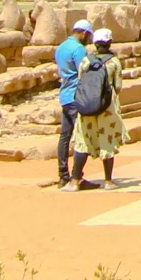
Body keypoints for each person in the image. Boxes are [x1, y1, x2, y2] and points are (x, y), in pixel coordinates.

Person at [70, 27, 127, 190]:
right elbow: (118, 86)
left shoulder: (86, 61)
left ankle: (75, 180)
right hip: (106, 108)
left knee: (83, 142)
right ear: (109, 43)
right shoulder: (114, 62)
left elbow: (81, 81)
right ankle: (108, 181)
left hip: (86, 106)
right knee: (107, 141)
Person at [50, 19, 91, 188]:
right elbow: (84, 72)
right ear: (83, 33)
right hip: (76, 95)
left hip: (65, 95)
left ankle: (63, 174)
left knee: (65, 136)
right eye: (88, 36)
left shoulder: (61, 47)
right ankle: (76, 176)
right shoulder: (78, 49)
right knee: (81, 136)